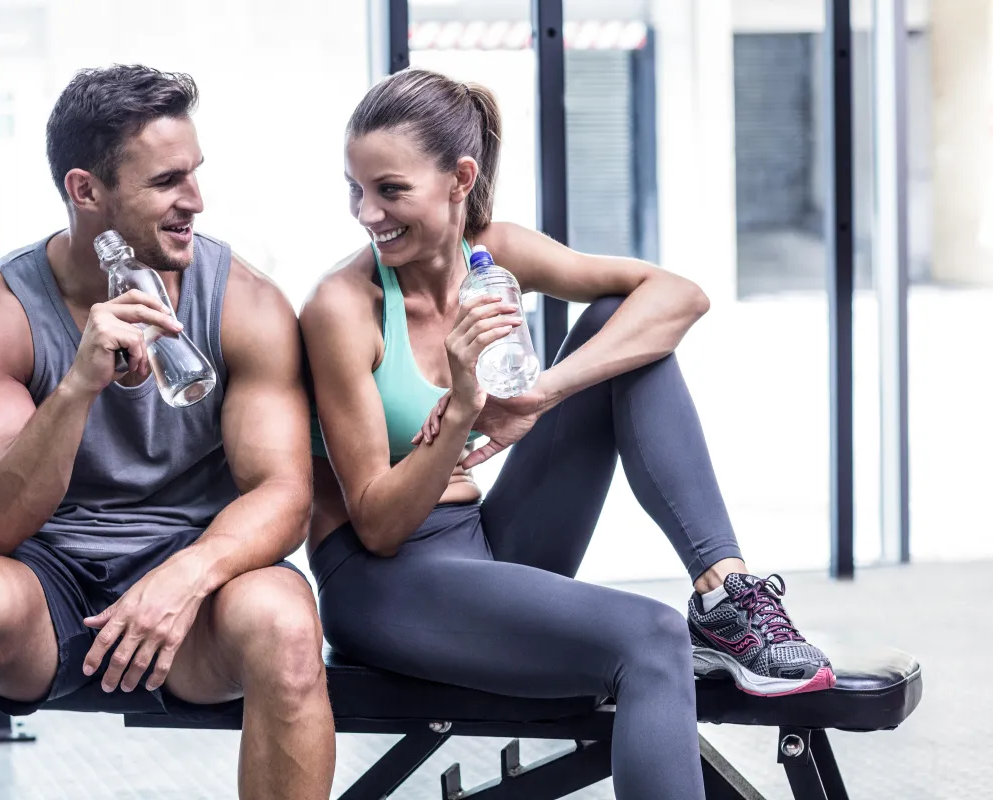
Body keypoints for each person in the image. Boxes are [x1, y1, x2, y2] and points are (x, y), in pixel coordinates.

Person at [299, 67, 834, 800]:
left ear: (459, 179)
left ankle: (725, 591)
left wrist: (540, 394)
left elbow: (681, 297)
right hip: (385, 583)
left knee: (623, 327)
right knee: (648, 637)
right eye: (355, 189)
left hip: (485, 545)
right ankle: (700, 622)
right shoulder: (342, 307)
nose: (367, 212)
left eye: (390, 190)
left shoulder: (496, 252)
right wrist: (461, 406)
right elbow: (380, 525)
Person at [0, 65, 334, 800]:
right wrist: (77, 386)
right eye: (167, 183)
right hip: (49, 584)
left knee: (287, 626)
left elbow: (285, 494)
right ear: (85, 190)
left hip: (199, 588)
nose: (195, 200)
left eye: (194, 175)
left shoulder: (245, 304)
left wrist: (184, 578)